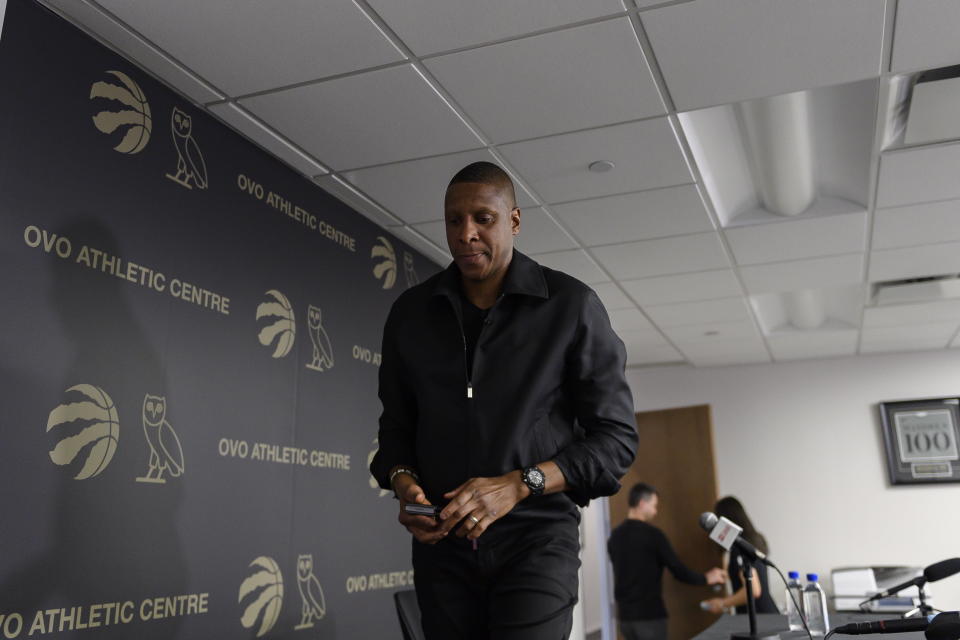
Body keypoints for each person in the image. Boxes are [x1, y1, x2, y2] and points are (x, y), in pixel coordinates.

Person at [370, 161, 638, 640]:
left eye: (483, 218)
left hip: (536, 541)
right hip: (443, 549)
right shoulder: (410, 315)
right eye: (454, 220)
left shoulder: (571, 306)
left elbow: (616, 442)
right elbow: (395, 431)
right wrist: (405, 483)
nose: (466, 233)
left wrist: (520, 483)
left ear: (513, 221)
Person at [607, 482, 726, 640]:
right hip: (649, 618)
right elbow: (678, 570)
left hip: (625, 620)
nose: (655, 511)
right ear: (642, 504)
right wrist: (706, 578)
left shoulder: (615, 536)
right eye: (654, 506)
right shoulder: (653, 535)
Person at [703, 496, 779, 615]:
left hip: (759, 617)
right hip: (768, 614)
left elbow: (754, 590)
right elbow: (753, 570)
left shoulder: (739, 549)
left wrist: (722, 603)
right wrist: (730, 574)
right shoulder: (755, 539)